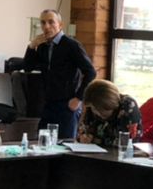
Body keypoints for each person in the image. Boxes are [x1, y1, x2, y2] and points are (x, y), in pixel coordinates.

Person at [19, 8, 96, 140]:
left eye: (51, 22)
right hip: (48, 103)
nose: (46, 26)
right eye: (43, 23)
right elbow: (27, 68)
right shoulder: (43, 46)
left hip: (68, 103)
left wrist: (78, 98)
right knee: (43, 143)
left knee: (65, 143)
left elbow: (90, 72)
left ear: (60, 25)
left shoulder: (71, 45)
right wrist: (32, 46)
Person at [77, 79, 142, 148]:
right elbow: (83, 130)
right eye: (94, 108)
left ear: (110, 105)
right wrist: (84, 137)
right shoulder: (91, 106)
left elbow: (128, 142)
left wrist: (96, 140)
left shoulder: (128, 106)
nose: (97, 113)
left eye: (99, 109)